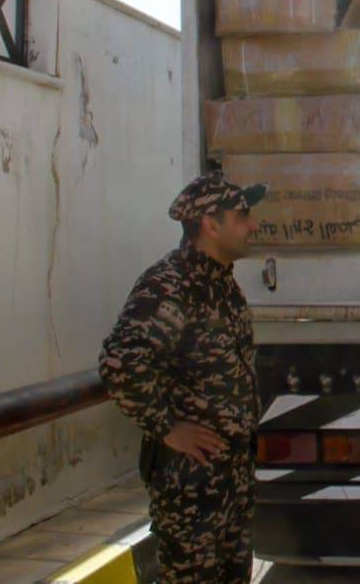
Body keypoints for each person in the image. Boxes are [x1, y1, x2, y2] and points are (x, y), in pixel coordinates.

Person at [99, 171, 267, 584]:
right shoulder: (170, 285)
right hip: (191, 486)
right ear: (211, 224)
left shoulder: (221, 284)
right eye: (242, 216)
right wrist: (168, 428)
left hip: (231, 479)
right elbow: (120, 363)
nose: (253, 225)